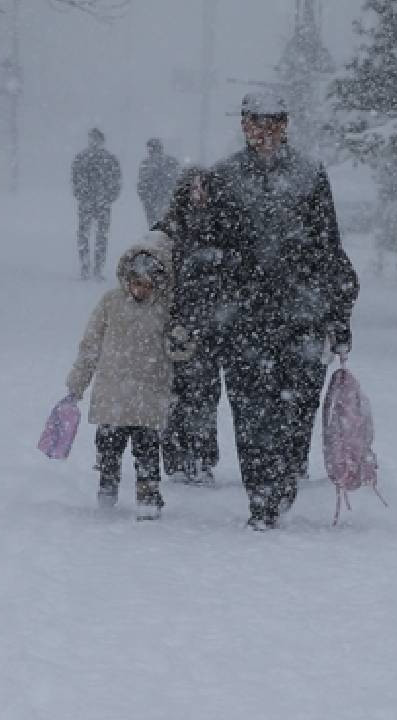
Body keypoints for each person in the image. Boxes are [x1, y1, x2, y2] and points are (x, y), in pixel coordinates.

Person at [173, 90, 359, 530]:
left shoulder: (310, 174)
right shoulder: (223, 177)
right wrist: (206, 303)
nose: (265, 132)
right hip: (244, 318)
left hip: (301, 315)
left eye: (273, 123)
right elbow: (204, 248)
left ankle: (285, 478)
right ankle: (261, 494)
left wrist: (338, 314)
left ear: (286, 125)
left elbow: (328, 245)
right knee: (250, 409)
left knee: (296, 409)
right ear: (243, 125)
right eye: (256, 123)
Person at [65, 237, 176, 520]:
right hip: (113, 392)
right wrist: (77, 383)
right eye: (137, 283)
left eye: (149, 285)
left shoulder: (166, 308)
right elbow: (90, 345)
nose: (141, 290)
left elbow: (180, 349)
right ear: (127, 278)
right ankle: (107, 487)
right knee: (108, 446)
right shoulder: (111, 303)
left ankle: (149, 495)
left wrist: (181, 342)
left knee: (148, 451)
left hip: (149, 393)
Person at [154, 167, 224, 487]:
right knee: (173, 393)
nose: (199, 194)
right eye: (193, 188)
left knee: (206, 394)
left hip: (209, 324)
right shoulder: (168, 229)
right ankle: (175, 457)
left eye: (204, 188)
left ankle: (203, 456)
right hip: (173, 323)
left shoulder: (223, 227)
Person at [71, 128, 122, 280]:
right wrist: (83, 195)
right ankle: (87, 267)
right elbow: (76, 180)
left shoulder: (86, 157)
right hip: (94, 202)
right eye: (92, 138)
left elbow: (116, 181)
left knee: (96, 236)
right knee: (91, 235)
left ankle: (95, 268)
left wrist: (109, 197)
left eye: (95, 139)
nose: (93, 141)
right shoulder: (87, 158)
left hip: (98, 203)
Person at [137, 138, 181, 227]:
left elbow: (177, 179)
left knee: (168, 224)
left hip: (167, 199)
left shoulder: (171, 162)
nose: (153, 152)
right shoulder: (145, 164)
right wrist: (145, 197)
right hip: (151, 200)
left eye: (154, 149)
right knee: (154, 226)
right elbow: (142, 183)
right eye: (151, 149)